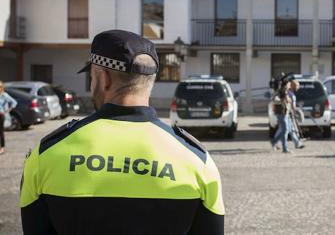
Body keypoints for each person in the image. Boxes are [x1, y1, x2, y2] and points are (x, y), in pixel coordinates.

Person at [20, 30, 224, 234]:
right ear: (149, 82)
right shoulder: (198, 162)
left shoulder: (44, 156)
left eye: (92, 77)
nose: (91, 85)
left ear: (105, 78)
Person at [271, 81, 292, 153]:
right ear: (285, 85)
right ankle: (284, 148)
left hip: (284, 113)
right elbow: (275, 100)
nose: (290, 85)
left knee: (287, 129)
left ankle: (275, 141)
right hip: (281, 113)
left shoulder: (285, 91)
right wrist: (284, 100)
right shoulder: (281, 91)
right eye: (289, 84)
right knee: (285, 130)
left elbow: (288, 100)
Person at [0, 81, 18, 154]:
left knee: (1, 132)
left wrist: (6, 111)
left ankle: (2, 148)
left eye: (0, 86)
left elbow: (14, 102)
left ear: (2, 87)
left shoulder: (4, 95)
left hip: (0, 116)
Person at [286, 80, 304, 149]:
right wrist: (295, 113)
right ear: (294, 86)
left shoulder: (289, 93)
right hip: (288, 114)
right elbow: (293, 107)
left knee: (290, 129)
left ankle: (297, 143)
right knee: (286, 130)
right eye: (297, 86)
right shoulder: (291, 94)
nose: (298, 87)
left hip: (288, 113)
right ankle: (276, 143)